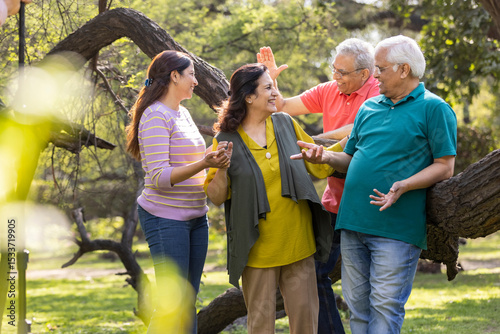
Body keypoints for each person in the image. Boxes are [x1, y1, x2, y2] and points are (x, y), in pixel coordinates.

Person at [291, 35, 457, 334]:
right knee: (358, 310)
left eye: (381, 68)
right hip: (352, 222)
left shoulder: (435, 108)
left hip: (395, 228)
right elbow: (350, 159)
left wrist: (404, 185)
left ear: (404, 69)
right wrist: (324, 156)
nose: (375, 74)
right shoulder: (369, 109)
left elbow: (445, 166)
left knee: (385, 307)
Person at [204, 63, 342, 334]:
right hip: (257, 251)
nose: (274, 93)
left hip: (298, 244)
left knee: (306, 324)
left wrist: (354, 136)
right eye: (268, 87)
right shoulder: (225, 139)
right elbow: (216, 196)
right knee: (260, 326)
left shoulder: (285, 123)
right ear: (249, 97)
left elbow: (317, 164)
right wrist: (220, 168)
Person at [257, 38, 379, 334]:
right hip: (336, 202)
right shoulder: (329, 89)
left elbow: (359, 129)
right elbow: (284, 107)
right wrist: (271, 83)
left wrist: (316, 144)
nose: (334, 76)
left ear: (364, 74)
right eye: (333, 69)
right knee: (315, 273)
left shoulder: (378, 90)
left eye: (342, 72)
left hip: (372, 201)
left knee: (371, 286)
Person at [125, 50, 231, 334]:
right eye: (192, 74)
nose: (196, 81)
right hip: (165, 218)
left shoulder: (181, 113)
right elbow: (159, 177)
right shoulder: (155, 116)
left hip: (196, 216)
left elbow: (190, 159)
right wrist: (205, 162)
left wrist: (215, 154)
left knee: (187, 301)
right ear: (175, 76)